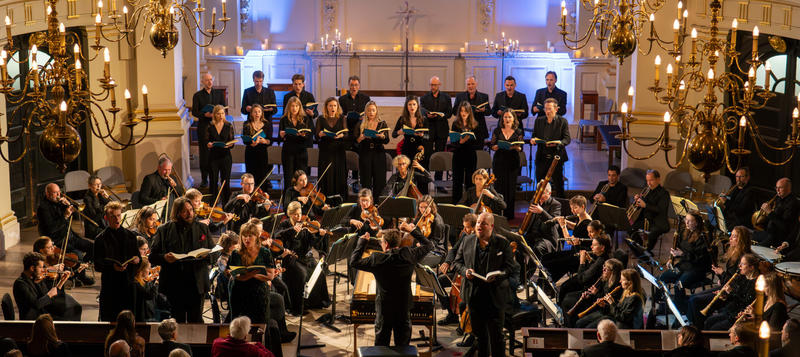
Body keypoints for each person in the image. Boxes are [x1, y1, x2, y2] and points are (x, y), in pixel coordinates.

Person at [350, 228, 433, 346]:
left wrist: (362, 242)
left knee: (381, 344)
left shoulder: (377, 259)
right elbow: (429, 245)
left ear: (386, 244)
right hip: (403, 307)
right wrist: (412, 230)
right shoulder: (409, 254)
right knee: (403, 344)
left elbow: (354, 262)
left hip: (384, 308)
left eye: (381, 242)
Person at [453, 212, 517, 357]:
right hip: (474, 296)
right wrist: (465, 271)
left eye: (483, 223)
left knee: (497, 338)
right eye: (478, 223)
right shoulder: (467, 240)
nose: (479, 226)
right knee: (480, 337)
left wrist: (499, 275)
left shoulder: (502, 243)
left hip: (495, 297)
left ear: (491, 226)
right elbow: (457, 262)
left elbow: (511, 268)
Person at [150, 197, 215, 323]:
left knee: (195, 321)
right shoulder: (164, 230)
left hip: (197, 283)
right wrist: (164, 258)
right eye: (185, 211)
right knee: (176, 321)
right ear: (177, 212)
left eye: (191, 210)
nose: (190, 213)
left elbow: (214, 251)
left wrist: (207, 256)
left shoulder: (202, 228)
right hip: (175, 283)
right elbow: (152, 256)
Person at [274, 201, 330, 314]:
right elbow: (277, 235)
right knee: (302, 274)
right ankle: (298, 306)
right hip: (290, 257)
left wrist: (320, 235)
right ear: (290, 214)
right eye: (295, 214)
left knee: (319, 271)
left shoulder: (305, 225)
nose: (298, 216)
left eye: (299, 213)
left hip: (304, 256)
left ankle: (316, 302)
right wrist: (292, 229)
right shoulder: (285, 224)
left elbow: (312, 242)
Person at [688, 226, 752, 325]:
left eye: (734, 236)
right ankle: (694, 324)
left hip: (731, 293)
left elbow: (737, 282)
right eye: (731, 235)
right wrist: (721, 277)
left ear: (741, 240)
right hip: (725, 285)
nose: (730, 238)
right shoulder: (733, 251)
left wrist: (722, 273)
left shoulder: (743, 257)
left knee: (695, 301)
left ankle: (698, 329)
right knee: (693, 298)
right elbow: (730, 277)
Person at [94, 201, 142, 321]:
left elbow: (138, 258)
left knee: (129, 321)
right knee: (110, 320)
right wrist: (112, 267)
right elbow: (97, 265)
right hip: (110, 286)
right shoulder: (100, 239)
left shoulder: (131, 236)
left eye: (119, 215)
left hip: (128, 284)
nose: (117, 219)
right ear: (106, 218)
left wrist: (137, 260)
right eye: (113, 216)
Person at [228, 221, 276, 324]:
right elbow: (235, 275)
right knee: (239, 323)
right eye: (244, 236)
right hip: (239, 291)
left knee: (260, 323)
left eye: (250, 236)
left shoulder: (265, 252)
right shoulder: (236, 253)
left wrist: (250, 274)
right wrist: (253, 273)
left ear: (256, 237)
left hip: (259, 292)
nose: (246, 239)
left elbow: (271, 275)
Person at [13, 252, 82, 321]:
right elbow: (36, 305)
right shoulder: (21, 284)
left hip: (42, 311)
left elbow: (46, 294)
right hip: (35, 318)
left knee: (74, 308)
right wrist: (50, 294)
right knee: (69, 316)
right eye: (41, 267)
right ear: (32, 268)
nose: (43, 270)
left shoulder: (34, 278)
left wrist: (61, 282)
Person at [37, 183, 94, 264]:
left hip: (71, 237)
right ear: (47, 194)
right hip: (59, 240)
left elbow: (76, 213)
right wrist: (65, 216)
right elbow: (52, 229)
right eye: (55, 193)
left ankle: (82, 266)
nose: (58, 195)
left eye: (59, 192)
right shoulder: (43, 208)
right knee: (78, 254)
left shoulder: (60, 202)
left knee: (93, 247)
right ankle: (78, 268)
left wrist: (69, 204)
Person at [438, 213, 477, 325]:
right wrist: (447, 262)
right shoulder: (465, 235)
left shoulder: (478, 239)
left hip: (470, 273)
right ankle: (451, 314)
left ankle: (467, 320)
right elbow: (453, 250)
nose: (465, 230)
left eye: (468, 227)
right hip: (459, 271)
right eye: (464, 227)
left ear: (475, 227)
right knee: (438, 281)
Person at [660, 212, 712, 297]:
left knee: (678, 285)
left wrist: (682, 254)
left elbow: (698, 259)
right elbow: (677, 248)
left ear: (697, 222)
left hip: (696, 269)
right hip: (682, 266)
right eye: (686, 220)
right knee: (662, 278)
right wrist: (671, 258)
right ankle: (661, 303)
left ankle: (680, 308)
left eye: (690, 221)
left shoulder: (703, 237)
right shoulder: (684, 232)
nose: (686, 223)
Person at [703, 254, 759, 330]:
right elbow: (735, 296)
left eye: (742, 264)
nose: (739, 266)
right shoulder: (742, 277)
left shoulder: (756, 284)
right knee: (708, 322)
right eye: (740, 263)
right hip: (730, 310)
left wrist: (730, 292)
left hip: (738, 316)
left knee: (713, 328)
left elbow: (746, 302)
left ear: (751, 267)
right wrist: (725, 295)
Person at [562, 258, 622, 328]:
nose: (603, 270)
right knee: (576, 317)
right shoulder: (605, 279)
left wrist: (595, 294)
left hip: (606, 312)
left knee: (580, 323)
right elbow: (599, 296)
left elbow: (607, 304)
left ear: (613, 272)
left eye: (606, 269)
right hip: (598, 307)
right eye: (603, 267)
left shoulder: (616, 286)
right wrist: (588, 296)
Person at [530, 97, 571, 198]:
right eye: (546, 109)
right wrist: (533, 140)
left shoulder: (562, 121)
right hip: (542, 157)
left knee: (558, 185)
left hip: (555, 157)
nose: (547, 111)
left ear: (556, 109)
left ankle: (560, 209)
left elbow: (567, 139)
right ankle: (539, 209)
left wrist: (559, 143)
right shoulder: (539, 121)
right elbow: (534, 136)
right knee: (540, 185)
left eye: (550, 109)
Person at [577, 268, 644, 329]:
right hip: (616, 320)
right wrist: (605, 306)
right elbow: (618, 309)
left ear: (630, 283)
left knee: (589, 327)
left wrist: (612, 303)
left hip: (624, 327)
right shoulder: (626, 292)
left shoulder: (635, 298)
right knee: (581, 323)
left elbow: (622, 317)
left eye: (622, 280)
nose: (620, 281)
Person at [191, 73, 226, 188]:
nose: (209, 82)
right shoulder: (197, 95)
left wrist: (217, 114)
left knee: (217, 152)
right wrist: (204, 114)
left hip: (217, 126)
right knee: (205, 154)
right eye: (207, 80)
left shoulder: (219, 94)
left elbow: (224, 107)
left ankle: (216, 177)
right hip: (204, 127)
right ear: (202, 82)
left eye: (211, 80)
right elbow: (194, 112)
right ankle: (204, 179)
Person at [490, 109, 524, 220]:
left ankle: (509, 214)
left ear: (514, 118)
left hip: (512, 161)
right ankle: (498, 213)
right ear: (502, 119)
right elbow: (492, 145)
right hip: (499, 160)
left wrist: (516, 147)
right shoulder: (497, 131)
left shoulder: (518, 131)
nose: (507, 119)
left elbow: (520, 148)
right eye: (505, 117)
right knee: (499, 186)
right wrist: (496, 147)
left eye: (510, 117)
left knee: (510, 187)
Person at [558, 235, 612, 305]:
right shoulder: (604, 257)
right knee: (565, 286)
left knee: (565, 288)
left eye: (594, 245)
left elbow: (581, 279)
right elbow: (594, 270)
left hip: (590, 290)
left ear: (602, 248)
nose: (591, 247)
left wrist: (582, 262)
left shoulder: (601, 261)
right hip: (591, 283)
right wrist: (590, 261)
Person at [315, 96, 350, 199]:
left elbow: (347, 134)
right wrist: (321, 134)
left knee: (339, 176)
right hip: (326, 152)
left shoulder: (342, 118)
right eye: (330, 106)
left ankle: (339, 202)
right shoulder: (321, 119)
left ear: (337, 107)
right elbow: (316, 136)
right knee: (327, 176)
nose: (332, 108)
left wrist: (342, 135)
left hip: (339, 152)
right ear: (326, 107)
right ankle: (325, 202)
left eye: (334, 105)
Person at [354, 101, 390, 199]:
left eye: (373, 110)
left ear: (376, 111)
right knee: (366, 181)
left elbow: (387, 140)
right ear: (366, 111)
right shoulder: (360, 123)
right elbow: (355, 142)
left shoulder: (382, 123)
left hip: (378, 154)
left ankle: (378, 204)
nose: (371, 112)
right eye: (369, 110)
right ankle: (366, 203)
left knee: (379, 181)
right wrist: (360, 138)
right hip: (365, 154)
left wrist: (382, 137)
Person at [450, 101, 484, 204]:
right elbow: (453, 143)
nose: (463, 113)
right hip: (458, 156)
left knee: (470, 182)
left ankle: (470, 204)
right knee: (457, 182)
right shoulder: (455, 125)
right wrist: (461, 142)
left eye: (466, 111)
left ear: (470, 112)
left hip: (470, 156)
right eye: (461, 111)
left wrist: (469, 140)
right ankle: (456, 205)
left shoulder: (475, 125)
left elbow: (479, 143)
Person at [420, 76, 452, 182]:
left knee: (440, 155)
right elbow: (421, 110)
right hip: (428, 129)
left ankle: (438, 180)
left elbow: (449, 113)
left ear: (439, 85)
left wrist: (440, 115)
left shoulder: (446, 97)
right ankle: (426, 179)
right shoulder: (424, 98)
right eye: (431, 85)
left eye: (435, 85)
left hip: (441, 129)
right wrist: (427, 115)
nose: (433, 87)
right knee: (427, 154)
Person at [630, 169, 670, 253]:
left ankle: (645, 252)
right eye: (647, 181)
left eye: (651, 180)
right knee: (630, 229)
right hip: (645, 219)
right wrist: (637, 201)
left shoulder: (664, 193)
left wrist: (645, 205)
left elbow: (660, 209)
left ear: (658, 179)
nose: (649, 183)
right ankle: (642, 251)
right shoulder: (646, 191)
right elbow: (639, 207)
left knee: (652, 234)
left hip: (658, 221)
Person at [278, 96, 314, 187]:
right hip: (288, 151)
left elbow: (310, 134)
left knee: (301, 177)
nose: (294, 108)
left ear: (300, 107)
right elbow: (280, 137)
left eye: (296, 106)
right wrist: (281, 135)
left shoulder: (305, 119)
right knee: (289, 176)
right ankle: (288, 199)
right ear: (289, 107)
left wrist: (304, 135)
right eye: (292, 106)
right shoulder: (284, 119)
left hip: (301, 151)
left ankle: (301, 199)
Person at [755, 178, 798, 249]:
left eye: (780, 188)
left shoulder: (793, 203)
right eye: (776, 188)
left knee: (756, 248)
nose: (777, 190)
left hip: (778, 237)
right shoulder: (778, 198)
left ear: (788, 188)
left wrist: (769, 212)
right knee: (748, 236)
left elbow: (784, 227)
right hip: (769, 232)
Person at [520, 182, 560, 255]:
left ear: (549, 193)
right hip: (533, 235)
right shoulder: (534, 201)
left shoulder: (555, 204)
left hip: (547, 238)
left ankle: (535, 266)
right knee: (518, 243)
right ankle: (523, 266)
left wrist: (542, 212)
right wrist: (519, 231)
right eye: (539, 193)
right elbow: (528, 218)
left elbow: (554, 222)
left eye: (543, 193)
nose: (540, 196)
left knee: (538, 248)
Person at [207, 104, 235, 204]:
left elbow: (232, 142)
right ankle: (213, 204)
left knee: (225, 182)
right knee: (213, 182)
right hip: (213, 157)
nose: (221, 116)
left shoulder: (229, 126)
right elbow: (206, 141)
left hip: (225, 157)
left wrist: (228, 145)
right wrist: (209, 144)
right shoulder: (210, 126)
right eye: (218, 114)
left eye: (222, 113)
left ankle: (226, 204)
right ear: (214, 115)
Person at [392, 96, 430, 168]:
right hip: (406, 148)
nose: (412, 107)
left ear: (417, 105)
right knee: (406, 172)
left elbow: (428, 137)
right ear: (406, 106)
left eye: (414, 104)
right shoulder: (402, 119)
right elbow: (393, 134)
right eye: (409, 104)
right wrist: (399, 132)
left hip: (419, 149)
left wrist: (422, 135)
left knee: (419, 174)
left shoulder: (423, 119)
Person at [241, 104, 273, 187]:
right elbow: (245, 140)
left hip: (262, 153)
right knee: (250, 176)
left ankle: (262, 198)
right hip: (250, 152)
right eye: (255, 112)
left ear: (262, 113)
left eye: (259, 111)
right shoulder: (247, 124)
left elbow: (270, 140)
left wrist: (265, 141)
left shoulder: (267, 124)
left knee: (262, 176)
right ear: (251, 113)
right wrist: (251, 143)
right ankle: (250, 197)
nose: (257, 114)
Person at [453, 76, 490, 140]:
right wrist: (463, 110)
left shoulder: (484, 96)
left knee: (478, 148)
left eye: (472, 84)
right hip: (464, 127)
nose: (470, 86)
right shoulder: (459, 96)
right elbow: (454, 111)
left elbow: (489, 112)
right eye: (468, 84)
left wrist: (483, 110)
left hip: (479, 127)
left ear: (476, 84)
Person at [83, 175, 111, 239]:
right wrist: (106, 207)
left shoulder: (100, 195)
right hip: (93, 227)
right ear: (90, 186)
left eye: (100, 184)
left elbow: (112, 205)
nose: (99, 186)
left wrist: (107, 197)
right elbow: (95, 215)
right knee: (110, 235)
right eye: (96, 184)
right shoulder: (87, 198)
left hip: (103, 224)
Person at [133, 256, 159, 322]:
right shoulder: (136, 283)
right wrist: (156, 282)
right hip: (139, 319)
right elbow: (149, 295)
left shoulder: (140, 282)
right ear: (141, 270)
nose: (150, 271)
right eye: (148, 268)